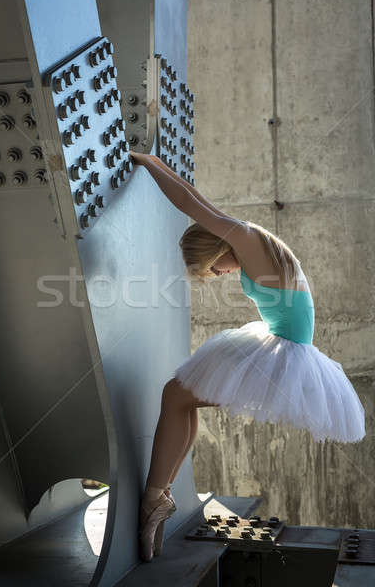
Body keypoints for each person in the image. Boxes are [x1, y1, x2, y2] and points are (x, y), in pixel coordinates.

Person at [129, 151, 366, 562]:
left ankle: (156, 496)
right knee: (180, 395)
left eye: (211, 269)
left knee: (176, 395)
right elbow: (196, 200)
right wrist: (152, 159)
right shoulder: (248, 236)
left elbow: (187, 204)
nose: (217, 275)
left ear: (217, 247)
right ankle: (159, 494)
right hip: (282, 344)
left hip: (286, 357)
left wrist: (149, 166)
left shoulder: (247, 242)